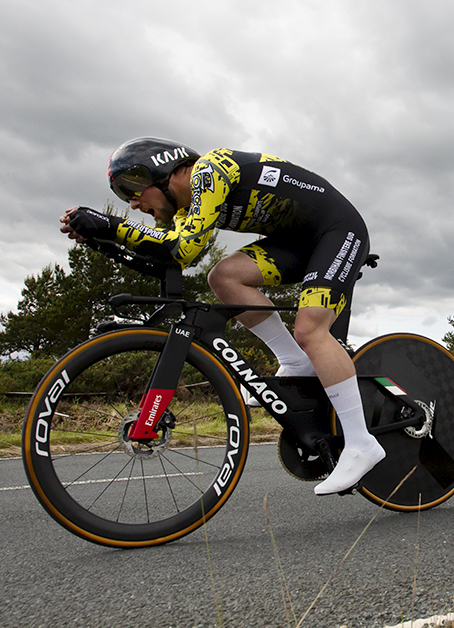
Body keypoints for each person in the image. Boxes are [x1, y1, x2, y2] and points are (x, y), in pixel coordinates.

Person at [60, 137, 385, 495]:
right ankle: (294, 361)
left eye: (131, 191)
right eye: (124, 198)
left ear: (162, 172)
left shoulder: (209, 171)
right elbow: (163, 259)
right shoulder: (185, 211)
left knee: (310, 328)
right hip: (296, 242)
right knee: (224, 277)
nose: (133, 204)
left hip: (337, 231)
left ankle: (360, 443)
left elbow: (183, 249)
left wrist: (109, 225)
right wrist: (101, 241)